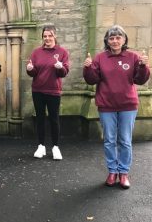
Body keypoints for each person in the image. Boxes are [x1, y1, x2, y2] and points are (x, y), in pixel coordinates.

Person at [83, 25, 149, 189]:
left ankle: (123, 173)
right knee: (109, 140)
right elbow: (92, 80)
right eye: (111, 38)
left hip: (128, 105)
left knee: (125, 141)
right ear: (107, 40)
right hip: (107, 105)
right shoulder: (100, 58)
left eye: (118, 37)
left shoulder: (133, 57)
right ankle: (112, 171)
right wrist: (88, 67)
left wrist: (143, 66)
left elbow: (140, 80)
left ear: (124, 39)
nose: (114, 41)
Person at [26, 24, 70, 160]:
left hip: (53, 90)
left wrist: (60, 68)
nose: (47, 38)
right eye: (45, 36)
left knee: (54, 119)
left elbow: (64, 72)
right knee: (40, 118)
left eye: (50, 36)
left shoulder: (62, 52)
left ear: (55, 36)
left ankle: (55, 147)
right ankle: (41, 146)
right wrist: (29, 69)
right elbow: (33, 72)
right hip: (38, 90)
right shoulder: (36, 52)